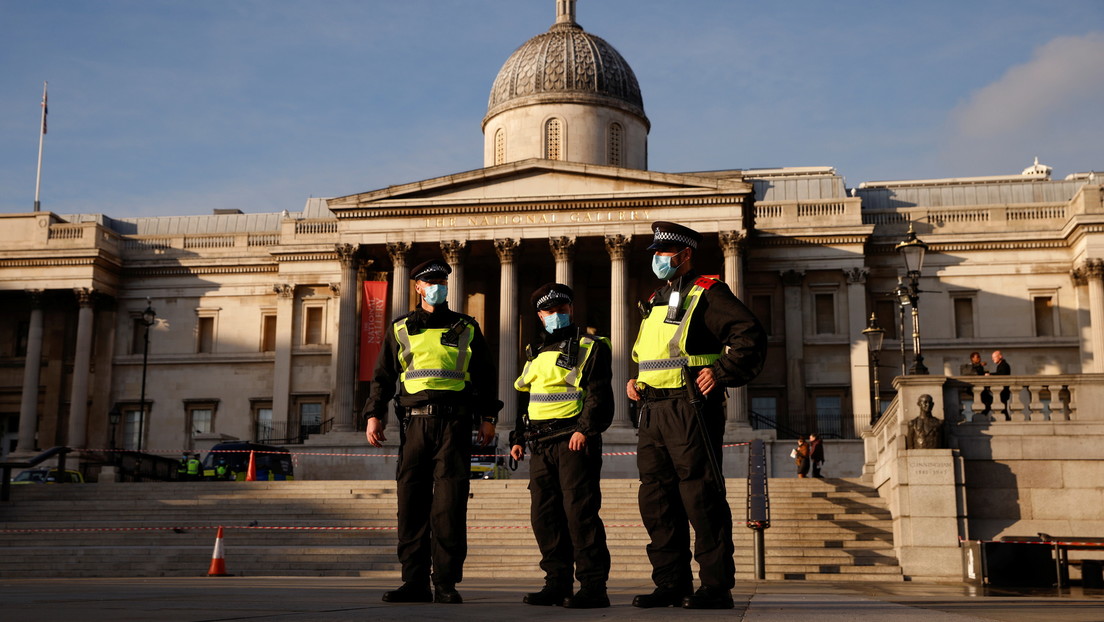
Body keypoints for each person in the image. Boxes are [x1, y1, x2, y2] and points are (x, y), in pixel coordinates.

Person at [627, 221, 767, 610]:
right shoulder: (656, 298)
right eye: (655, 253)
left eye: (664, 253)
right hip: (652, 409)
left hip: (688, 407)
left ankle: (715, 586)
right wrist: (636, 382)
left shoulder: (708, 291)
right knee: (656, 500)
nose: (658, 259)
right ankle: (671, 582)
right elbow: (655, 354)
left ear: (685, 255)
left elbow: (748, 333)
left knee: (700, 495)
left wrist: (721, 371)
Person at [362, 258, 501, 605]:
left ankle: (446, 582)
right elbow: (381, 377)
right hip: (414, 424)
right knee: (411, 503)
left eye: (442, 280)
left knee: (450, 506)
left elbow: (485, 374)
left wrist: (488, 417)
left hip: (455, 424)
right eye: (431, 281)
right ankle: (414, 581)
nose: (438, 286)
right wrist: (373, 415)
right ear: (418, 288)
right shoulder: (400, 328)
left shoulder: (467, 327)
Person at [510, 283, 614, 609]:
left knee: (580, 515)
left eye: (561, 309)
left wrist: (585, 428)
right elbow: (526, 397)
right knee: (545, 517)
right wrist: (517, 436)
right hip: (540, 443)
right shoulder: (534, 353)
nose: (556, 315)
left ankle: (593, 587)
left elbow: (598, 392)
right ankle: (557, 583)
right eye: (549, 311)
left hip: (573, 439)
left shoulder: (589, 345)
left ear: (571, 310)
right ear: (540, 315)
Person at [987, 350, 1012, 416]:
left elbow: (1001, 375)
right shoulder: (1001, 365)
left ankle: (1007, 420)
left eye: (994, 357)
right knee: (1003, 408)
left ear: (1000, 356)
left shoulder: (1004, 365)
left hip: (1003, 390)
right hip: (1002, 390)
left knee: (1003, 408)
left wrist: (990, 375)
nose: (992, 359)